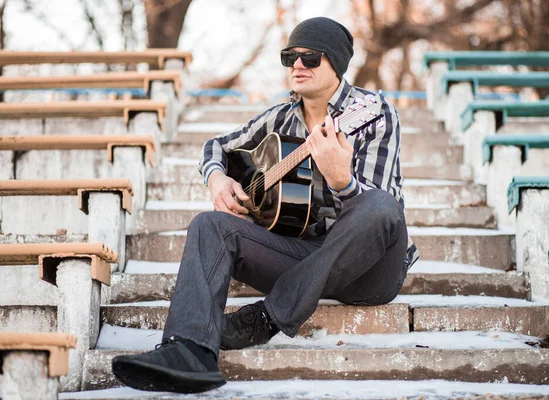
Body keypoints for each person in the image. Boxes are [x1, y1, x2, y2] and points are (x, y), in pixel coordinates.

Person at [112, 16, 418, 394]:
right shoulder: (279, 118)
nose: (298, 66)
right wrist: (217, 178)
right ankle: (189, 350)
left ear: (336, 62)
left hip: (368, 272)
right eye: (290, 57)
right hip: (302, 256)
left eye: (310, 57)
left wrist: (343, 182)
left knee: (382, 206)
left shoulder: (371, 114)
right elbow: (217, 146)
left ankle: (268, 316)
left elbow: (379, 214)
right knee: (209, 225)